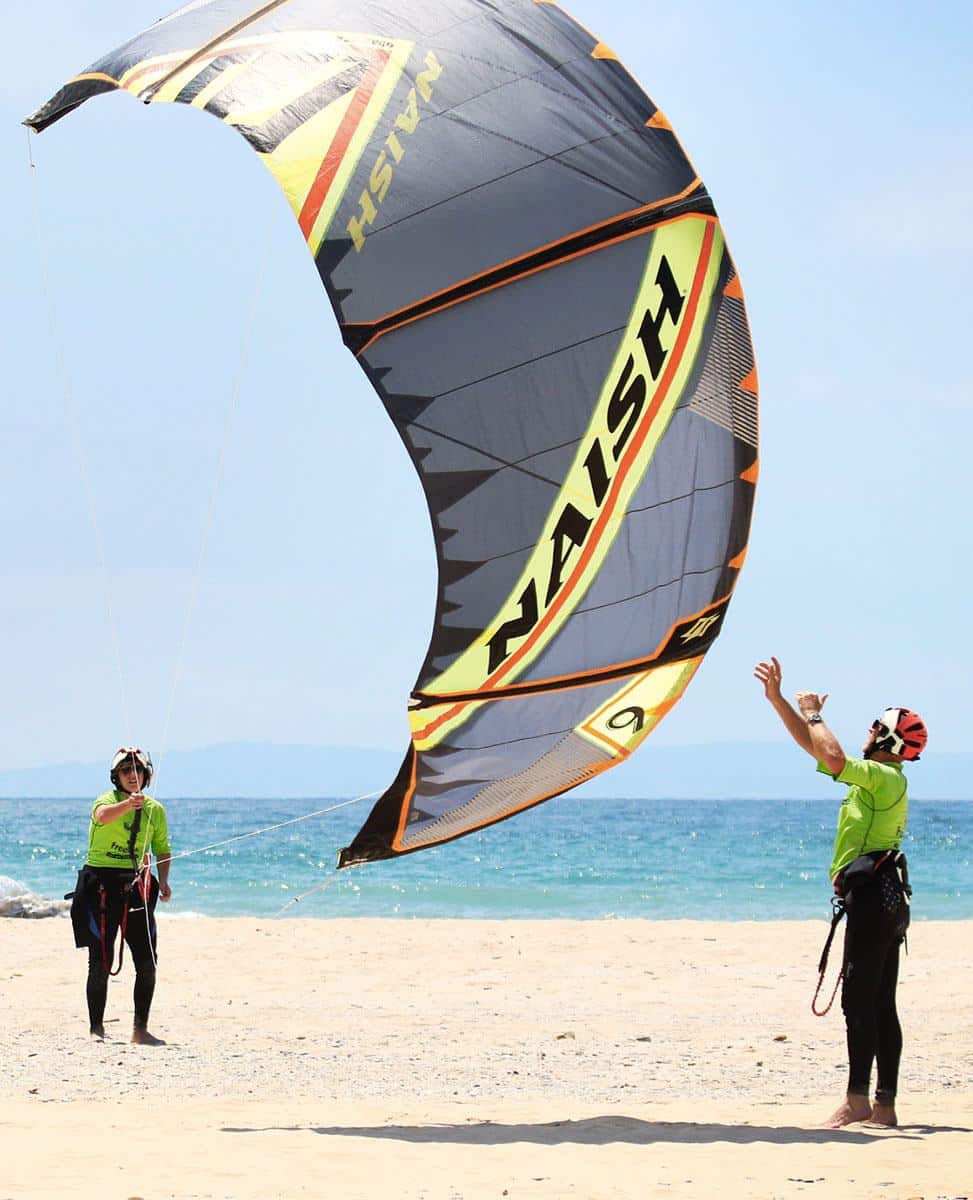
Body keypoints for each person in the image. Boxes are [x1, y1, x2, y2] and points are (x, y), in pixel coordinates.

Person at [753, 657, 927, 1128]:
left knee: (859, 1000)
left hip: (874, 901)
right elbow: (818, 751)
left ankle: (858, 1102)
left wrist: (813, 712)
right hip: (887, 898)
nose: (867, 733)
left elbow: (829, 754)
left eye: (875, 727)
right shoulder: (879, 779)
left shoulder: (883, 777)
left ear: (889, 740)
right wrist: (780, 702)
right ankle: (883, 1106)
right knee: (878, 1000)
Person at [70, 747, 172, 1045]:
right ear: (116, 776)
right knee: (100, 960)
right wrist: (129, 805)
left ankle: (140, 1030)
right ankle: (96, 1029)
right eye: (126, 771)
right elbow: (102, 817)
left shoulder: (155, 810)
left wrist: (164, 882)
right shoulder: (107, 800)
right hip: (100, 884)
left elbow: (162, 849)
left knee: (147, 960)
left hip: (136, 886)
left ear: (146, 775)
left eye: (137, 771)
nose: (132, 775)